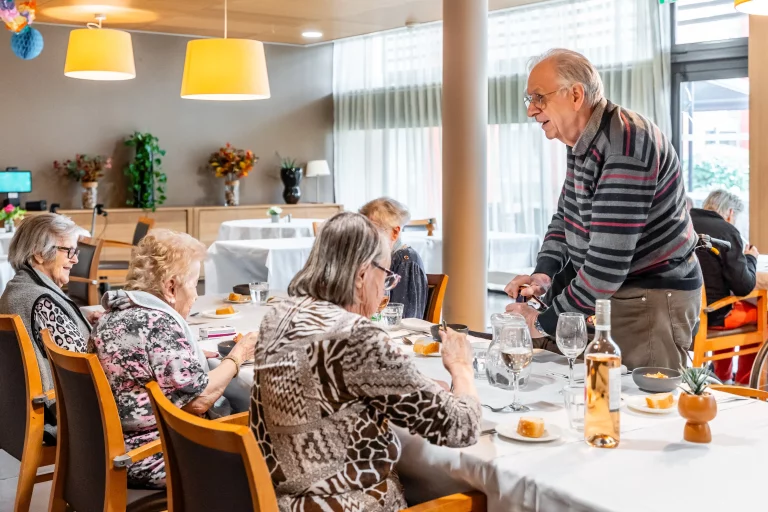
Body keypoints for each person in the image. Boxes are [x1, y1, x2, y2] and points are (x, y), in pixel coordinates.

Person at [250, 212, 480, 511]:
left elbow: (330, 392)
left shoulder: (279, 315)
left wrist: (415, 386)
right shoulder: (357, 337)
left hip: (276, 498)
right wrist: (461, 367)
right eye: (386, 275)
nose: (386, 288)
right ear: (361, 274)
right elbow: (462, 427)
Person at [505, 49, 702, 370]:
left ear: (576, 95)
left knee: (643, 403)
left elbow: (607, 266)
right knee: (594, 398)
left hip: (649, 295)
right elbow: (565, 217)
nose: (532, 111)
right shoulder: (584, 141)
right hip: (615, 291)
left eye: (538, 98)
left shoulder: (626, 141)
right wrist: (543, 274)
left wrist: (541, 322)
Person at [90, 229, 257, 489]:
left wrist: (194, 356)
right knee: (266, 440)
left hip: (110, 444)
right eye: (193, 283)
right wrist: (238, 356)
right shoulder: (157, 323)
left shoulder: (113, 315)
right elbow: (198, 400)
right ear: (171, 287)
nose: (196, 294)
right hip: (153, 453)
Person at [0, 214, 99, 440]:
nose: (75, 260)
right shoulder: (44, 302)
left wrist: (80, 316)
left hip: (17, 414)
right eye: (69, 251)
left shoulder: (17, 289)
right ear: (39, 253)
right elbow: (83, 366)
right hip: (63, 415)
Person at [690, 190, 759, 384]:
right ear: (730, 212)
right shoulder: (727, 231)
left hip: (682, 313)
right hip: (711, 314)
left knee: (727, 305)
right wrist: (751, 258)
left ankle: (724, 377)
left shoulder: (683, 223)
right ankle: (746, 382)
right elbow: (743, 287)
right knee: (762, 314)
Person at [360, 197, 428, 319]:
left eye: (374, 231)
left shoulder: (405, 260)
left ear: (395, 232)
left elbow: (404, 319)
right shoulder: (377, 260)